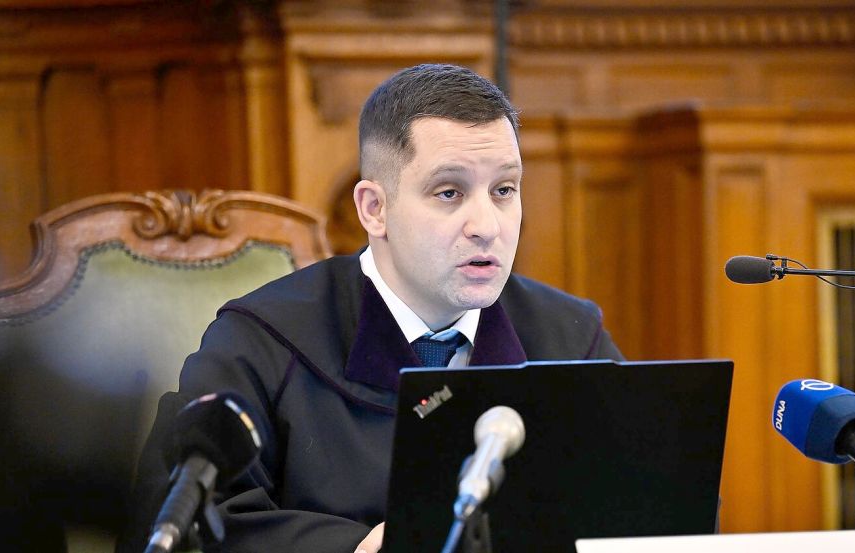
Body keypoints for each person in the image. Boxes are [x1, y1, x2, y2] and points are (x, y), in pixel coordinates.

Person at [118, 63, 622, 553]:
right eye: (449, 192)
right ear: (373, 209)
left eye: (504, 190)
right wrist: (356, 548)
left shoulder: (572, 339)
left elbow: (645, 508)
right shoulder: (263, 341)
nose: (487, 225)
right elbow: (177, 522)